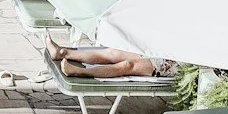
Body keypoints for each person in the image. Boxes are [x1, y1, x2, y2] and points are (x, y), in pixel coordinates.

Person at [45, 36, 175, 80]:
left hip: (180, 64)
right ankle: (61, 52)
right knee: (114, 53)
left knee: (127, 65)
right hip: (169, 51)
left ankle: (78, 71)